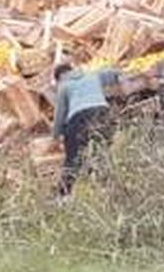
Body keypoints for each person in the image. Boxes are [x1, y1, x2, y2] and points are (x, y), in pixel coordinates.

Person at [51, 63, 119, 196]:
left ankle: (62, 196)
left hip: (78, 118)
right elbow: (114, 73)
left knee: (73, 158)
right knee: (103, 153)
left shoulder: (63, 85)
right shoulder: (92, 74)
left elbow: (60, 114)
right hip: (103, 114)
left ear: (60, 77)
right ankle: (109, 190)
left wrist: (55, 136)